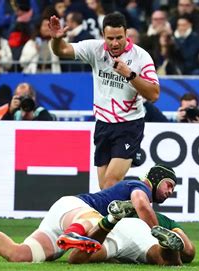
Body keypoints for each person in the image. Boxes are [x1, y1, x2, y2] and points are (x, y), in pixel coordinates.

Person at [0, 164, 177, 264]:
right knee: (93, 221)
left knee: (18, 254)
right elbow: (142, 205)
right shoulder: (140, 187)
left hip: (62, 218)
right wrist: (158, 233)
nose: (170, 192)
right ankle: (74, 235)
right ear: (155, 180)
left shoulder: (137, 189)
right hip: (76, 209)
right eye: (169, 185)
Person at [50, 12, 160, 189]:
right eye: (110, 38)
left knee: (111, 182)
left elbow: (154, 95)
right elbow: (61, 50)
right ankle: (131, 205)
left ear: (126, 34)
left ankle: (139, 200)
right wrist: (56, 39)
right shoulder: (95, 49)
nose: (115, 43)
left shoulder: (141, 57)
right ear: (103, 35)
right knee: (105, 189)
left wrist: (130, 74)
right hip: (103, 124)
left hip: (129, 125)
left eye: (119, 38)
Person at [67, 209, 195, 266]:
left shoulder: (135, 207)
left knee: (76, 259)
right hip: (140, 230)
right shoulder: (165, 220)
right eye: (169, 186)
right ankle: (165, 246)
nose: (170, 191)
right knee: (161, 258)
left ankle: (109, 221)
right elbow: (189, 251)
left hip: (119, 227)